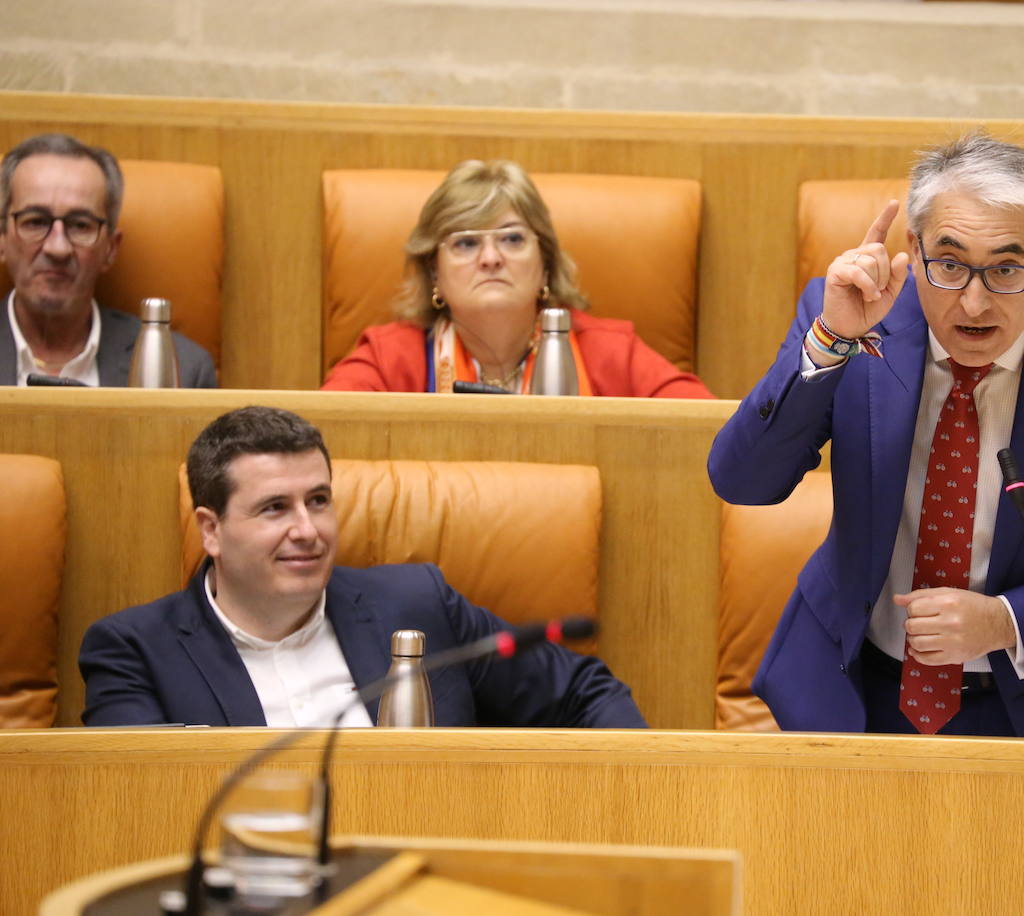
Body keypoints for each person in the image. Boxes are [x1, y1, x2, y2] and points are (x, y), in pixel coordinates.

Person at [708, 132, 1024, 741]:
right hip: (853, 690)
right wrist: (831, 339)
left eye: (1006, 269)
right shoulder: (857, 320)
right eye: (950, 263)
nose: (973, 302)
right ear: (912, 251)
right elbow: (741, 480)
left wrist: (1008, 622)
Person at [79, 405, 646, 728]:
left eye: (319, 500)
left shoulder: (419, 602)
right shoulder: (134, 651)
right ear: (212, 530)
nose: (308, 530)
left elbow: (586, 694)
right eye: (275, 508)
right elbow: (142, 803)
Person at [322, 159, 712, 398]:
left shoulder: (612, 353)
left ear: (544, 264)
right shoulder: (388, 358)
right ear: (434, 272)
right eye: (466, 243)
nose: (491, 258)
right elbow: (320, 436)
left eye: (512, 239)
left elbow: (708, 434)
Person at [0, 133, 216, 388]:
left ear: (111, 249)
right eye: (35, 221)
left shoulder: (184, 369)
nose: (57, 248)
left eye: (80, 225)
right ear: (2, 239)